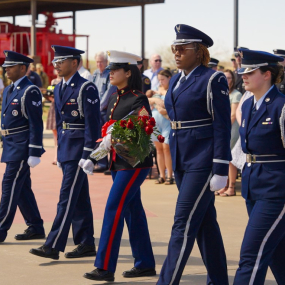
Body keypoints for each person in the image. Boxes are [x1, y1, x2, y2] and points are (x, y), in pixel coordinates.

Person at [157, 24, 231, 285]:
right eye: (173, 48)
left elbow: (222, 125)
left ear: (199, 52)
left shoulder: (213, 79)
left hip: (203, 158)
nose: (176, 53)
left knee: (183, 223)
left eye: (181, 48)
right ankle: (219, 280)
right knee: (204, 224)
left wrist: (221, 167)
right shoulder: (176, 79)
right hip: (180, 156)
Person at [83, 51, 156, 282]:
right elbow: (109, 135)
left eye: (115, 69)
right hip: (118, 162)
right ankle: (145, 263)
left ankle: (104, 267)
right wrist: (95, 157)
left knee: (113, 208)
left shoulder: (138, 99)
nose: (110, 72)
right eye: (110, 69)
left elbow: (142, 130)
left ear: (128, 72)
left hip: (134, 164)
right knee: (134, 213)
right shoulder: (115, 97)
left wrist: (117, 132)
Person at [30, 45, 100, 260]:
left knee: (66, 197)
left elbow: (93, 123)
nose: (57, 65)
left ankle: (53, 244)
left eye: (61, 61)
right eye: (55, 62)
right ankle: (86, 242)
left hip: (80, 149)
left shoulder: (86, 87)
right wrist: (59, 152)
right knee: (78, 197)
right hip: (67, 148)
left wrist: (89, 153)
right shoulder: (59, 87)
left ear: (75, 62)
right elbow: (60, 123)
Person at [233, 48, 285, 285]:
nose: (243, 75)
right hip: (253, 186)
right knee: (275, 252)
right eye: (243, 71)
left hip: (276, 189)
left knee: (251, 254)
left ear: (267, 74)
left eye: (250, 71)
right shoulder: (246, 105)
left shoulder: (281, 106)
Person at [0, 51, 45, 243]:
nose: (6, 69)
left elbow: (36, 123)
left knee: (9, 186)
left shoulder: (30, 90)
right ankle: (35, 226)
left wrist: (34, 151)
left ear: (23, 68)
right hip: (10, 144)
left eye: (10, 66)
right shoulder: (10, 89)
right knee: (23, 188)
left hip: (22, 146)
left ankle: (1, 228)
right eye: (5, 67)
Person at [215, 69, 242, 197]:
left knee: (230, 159)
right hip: (222, 129)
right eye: (224, 77)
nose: (227, 80)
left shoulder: (236, 94)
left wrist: (221, 129)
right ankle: (224, 185)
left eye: (229, 78)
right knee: (224, 158)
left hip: (231, 129)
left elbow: (232, 115)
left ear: (233, 80)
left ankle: (231, 187)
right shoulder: (220, 92)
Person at [92, 51, 116, 173]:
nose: (99, 64)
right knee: (99, 138)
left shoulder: (109, 74)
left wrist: (98, 107)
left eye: (101, 61)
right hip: (96, 110)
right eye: (97, 62)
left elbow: (108, 93)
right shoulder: (95, 74)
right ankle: (101, 163)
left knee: (109, 137)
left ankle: (111, 164)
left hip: (105, 110)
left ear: (106, 62)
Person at [148, 69, 173, 185]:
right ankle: (161, 175)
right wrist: (155, 100)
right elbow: (148, 100)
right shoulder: (157, 91)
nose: (161, 82)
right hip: (156, 122)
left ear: (169, 78)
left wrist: (162, 108)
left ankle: (169, 175)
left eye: (163, 79)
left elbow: (170, 106)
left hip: (167, 122)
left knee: (166, 148)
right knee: (158, 149)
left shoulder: (172, 90)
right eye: (159, 80)